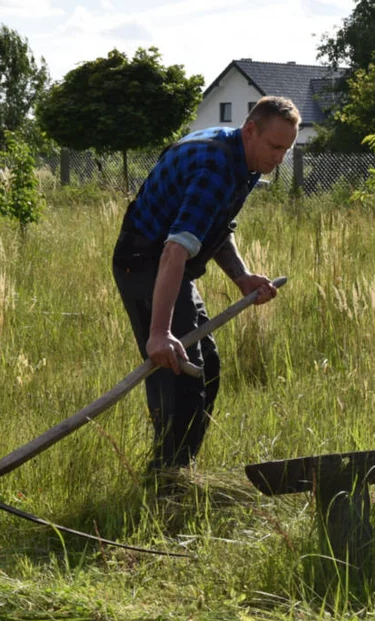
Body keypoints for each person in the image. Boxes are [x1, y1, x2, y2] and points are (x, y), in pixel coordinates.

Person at [112, 96, 300, 484]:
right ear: (251, 130)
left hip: (168, 264)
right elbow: (175, 249)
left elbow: (214, 226)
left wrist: (242, 277)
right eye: (275, 147)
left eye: (288, 149)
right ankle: (165, 480)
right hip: (144, 261)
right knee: (178, 372)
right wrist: (159, 333)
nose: (280, 158)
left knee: (206, 367)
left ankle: (182, 469)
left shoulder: (244, 161)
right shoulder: (216, 166)